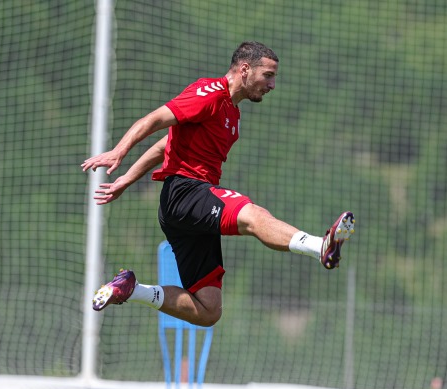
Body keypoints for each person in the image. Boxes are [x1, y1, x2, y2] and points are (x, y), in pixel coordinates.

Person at [81, 41, 354, 327]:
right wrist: (118, 152)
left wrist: (127, 178)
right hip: (185, 192)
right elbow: (156, 118)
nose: (272, 85)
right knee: (253, 215)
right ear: (245, 69)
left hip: (182, 208)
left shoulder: (232, 114)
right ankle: (319, 246)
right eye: (268, 75)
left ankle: (131, 289)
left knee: (208, 310)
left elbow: (167, 145)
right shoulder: (209, 93)